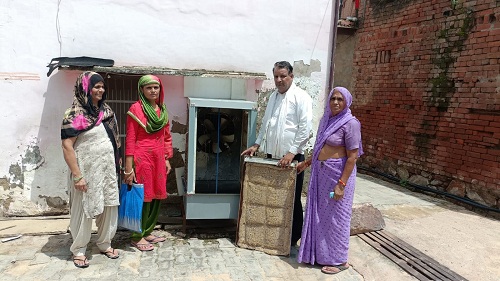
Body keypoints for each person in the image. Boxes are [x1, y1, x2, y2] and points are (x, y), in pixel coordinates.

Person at [241, 61, 312, 247]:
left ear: (291, 76)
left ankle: (293, 239)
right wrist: (256, 144)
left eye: (283, 76)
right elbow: (267, 123)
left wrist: (291, 152)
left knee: (292, 199)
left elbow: (305, 129)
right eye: (276, 77)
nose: (279, 80)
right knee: (274, 198)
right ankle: (274, 237)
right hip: (273, 158)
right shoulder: (273, 97)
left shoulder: (301, 97)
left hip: (293, 158)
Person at [296, 87, 363, 275]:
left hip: (338, 178)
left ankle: (340, 260)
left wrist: (341, 185)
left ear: (347, 102)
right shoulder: (326, 120)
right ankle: (320, 254)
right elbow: (321, 148)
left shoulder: (351, 124)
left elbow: (352, 157)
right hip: (321, 176)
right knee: (321, 218)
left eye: (340, 99)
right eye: (332, 98)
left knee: (337, 219)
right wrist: (307, 163)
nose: (335, 102)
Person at [61, 71, 121, 268]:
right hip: (86, 171)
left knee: (110, 205)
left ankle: (105, 243)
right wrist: (78, 176)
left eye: (102, 86)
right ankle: (78, 249)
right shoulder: (75, 115)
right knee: (84, 208)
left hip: (106, 169)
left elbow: (114, 140)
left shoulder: (107, 111)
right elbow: (67, 146)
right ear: (84, 88)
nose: (101, 89)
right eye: (96, 86)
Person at [123, 74, 173, 251]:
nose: (153, 91)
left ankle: (148, 231)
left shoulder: (162, 110)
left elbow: (166, 137)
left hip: (158, 159)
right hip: (142, 158)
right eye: (149, 88)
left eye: (156, 87)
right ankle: (137, 235)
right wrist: (129, 167)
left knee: (157, 194)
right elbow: (130, 138)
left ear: (160, 89)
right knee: (143, 196)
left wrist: (166, 159)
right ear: (142, 90)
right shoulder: (136, 109)